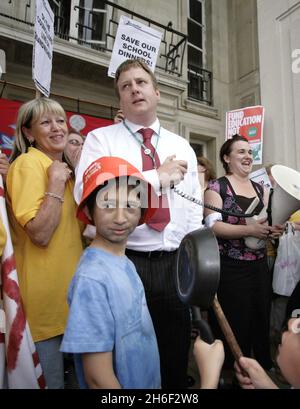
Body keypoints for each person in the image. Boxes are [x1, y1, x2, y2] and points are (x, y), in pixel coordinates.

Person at [74, 59, 203, 388]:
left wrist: (189, 259)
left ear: (157, 92)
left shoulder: (180, 145)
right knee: (129, 356)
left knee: (175, 352)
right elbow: (90, 194)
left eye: (141, 82)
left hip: (174, 262)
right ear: (120, 99)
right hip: (123, 260)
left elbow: (192, 211)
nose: (134, 88)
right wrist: (155, 179)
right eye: (125, 86)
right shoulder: (101, 140)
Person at [61, 156, 160, 389]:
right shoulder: (92, 278)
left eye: (130, 206)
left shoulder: (123, 262)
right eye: (107, 205)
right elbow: (97, 379)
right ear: (89, 209)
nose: (120, 218)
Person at [6, 98, 83, 388]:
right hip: (44, 308)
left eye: (60, 121)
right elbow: (39, 234)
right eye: (46, 122)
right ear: (28, 133)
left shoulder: (63, 169)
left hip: (74, 301)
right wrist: (53, 184)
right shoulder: (28, 164)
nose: (57, 128)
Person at [204, 135, 283, 380]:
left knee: (260, 317)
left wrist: (273, 230)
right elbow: (213, 228)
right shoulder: (216, 188)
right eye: (240, 152)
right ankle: (235, 374)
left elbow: (264, 223)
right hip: (230, 269)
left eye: (249, 152)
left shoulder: (261, 189)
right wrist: (249, 230)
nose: (248, 156)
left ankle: (261, 369)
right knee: (235, 322)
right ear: (227, 158)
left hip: (258, 266)